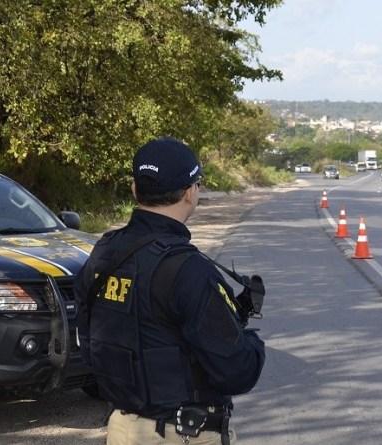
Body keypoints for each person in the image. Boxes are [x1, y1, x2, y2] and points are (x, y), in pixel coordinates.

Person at [75, 137, 265, 445]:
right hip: (184, 434)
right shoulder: (186, 269)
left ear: (135, 190)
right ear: (191, 193)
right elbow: (237, 371)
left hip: (122, 429)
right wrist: (251, 342)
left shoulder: (104, 252)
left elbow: (89, 339)